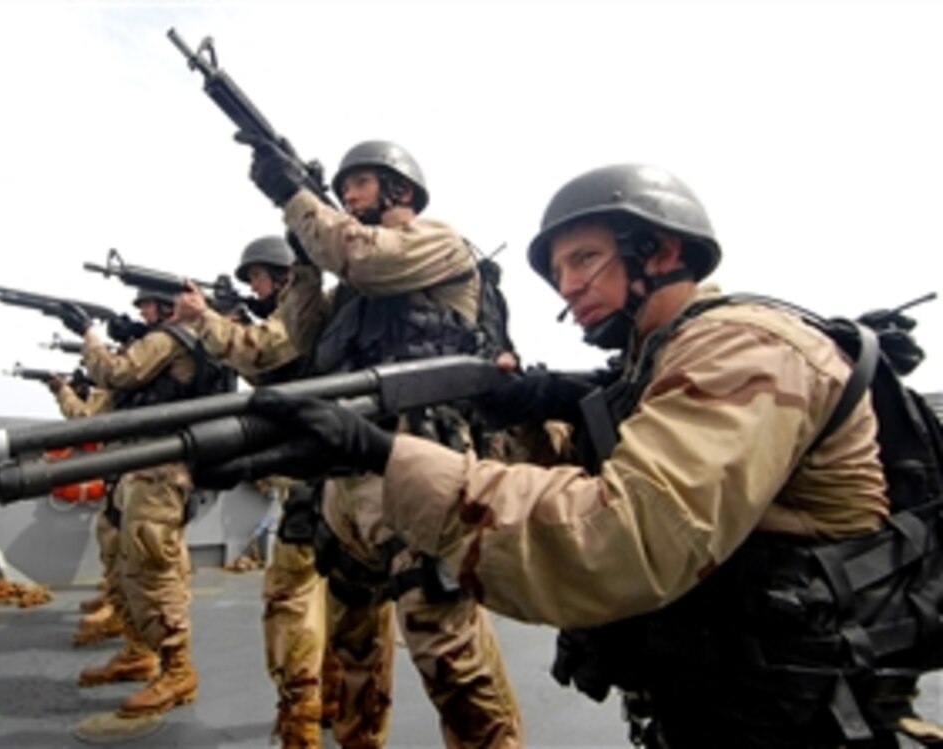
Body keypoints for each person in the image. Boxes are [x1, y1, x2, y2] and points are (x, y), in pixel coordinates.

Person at [238, 163, 943, 747]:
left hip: (798, 718)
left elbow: (623, 536)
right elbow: (573, 474)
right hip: (722, 705)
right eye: (559, 271)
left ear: (660, 253)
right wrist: (521, 407)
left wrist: (385, 454)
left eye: (585, 260)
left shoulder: (740, 349)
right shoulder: (650, 365)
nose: (568, 286)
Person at [241, 137, 523, 747]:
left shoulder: (434, 243)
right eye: (342, 188)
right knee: (351, 647)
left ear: (401, 192)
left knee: (447, 655)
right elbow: (305, 337)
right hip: (348, 479)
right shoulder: (353, 290)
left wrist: (295, 198)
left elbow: (364, 257)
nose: (346, 195)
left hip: (419, 466)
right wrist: (304, 270)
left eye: (360, 184)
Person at [173, 235, 340, 749]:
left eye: (258, 278)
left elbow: (262, 352)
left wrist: (204, 317)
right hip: (331, 462)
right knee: (342, 599)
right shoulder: (322, 310)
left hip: (319, 470)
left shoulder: (304, 309)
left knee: (290, 595)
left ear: (282, 274)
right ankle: (330, 700)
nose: (254, 286)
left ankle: (301, 718)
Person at [62, 288, 209, 718]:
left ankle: (177, 670)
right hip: (138, 468)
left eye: (147, 305)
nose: (140, 312)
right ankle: (137, 652)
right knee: (126, 566)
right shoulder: (161, 341)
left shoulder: (170, 339)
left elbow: (114, 373)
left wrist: (88, 332)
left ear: (167, 308)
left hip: (158, 473)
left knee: (152, 571)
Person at [43, 374, 123, 648]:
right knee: (108, 534)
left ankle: (120, 607)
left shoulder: (126, 378)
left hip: (133, 472)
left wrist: (62, 391)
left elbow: (84, 420)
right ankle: (114, 595)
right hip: (123, 471)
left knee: (121, 540)